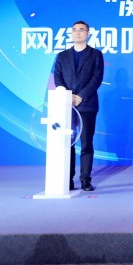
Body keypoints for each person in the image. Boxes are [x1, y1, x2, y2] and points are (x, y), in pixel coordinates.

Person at [54, 20, 104, 192]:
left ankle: (85, 180)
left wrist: (80, 97)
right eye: (74, 30)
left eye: (81, 30)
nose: (77, 32)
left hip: (87, 105)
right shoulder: (62, 56)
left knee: (86, 143)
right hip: (66, 106)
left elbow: (96, 79)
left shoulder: (95, 54)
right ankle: (67, 179)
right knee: (67, 143)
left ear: (88, 33)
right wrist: (68, 97)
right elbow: (58, 77)